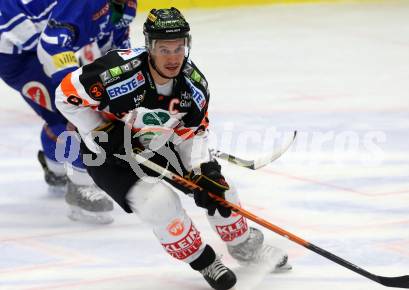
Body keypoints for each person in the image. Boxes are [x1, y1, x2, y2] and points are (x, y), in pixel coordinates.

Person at [55, 7, 291, 290]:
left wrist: (203, 170)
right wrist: (101, 129)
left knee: (221, 192)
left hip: (157, 143)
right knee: (159, 203)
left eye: (179, 48)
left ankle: (244, 247)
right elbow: (64, 95)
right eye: (164, 49)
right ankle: (205, 261)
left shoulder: (193, 85)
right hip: (107, 153)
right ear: (150, 47)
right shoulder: (116, 73)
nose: (173, 57)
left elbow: (193, 133)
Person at [0, 0, 137, 224]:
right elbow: (51, 45)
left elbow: (113, 48)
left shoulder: (126, 5)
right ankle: (80, 187)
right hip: (16, 51)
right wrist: (76, 93)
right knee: (74, 112)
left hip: (39, 38)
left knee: (71, 111)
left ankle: (55, 166)